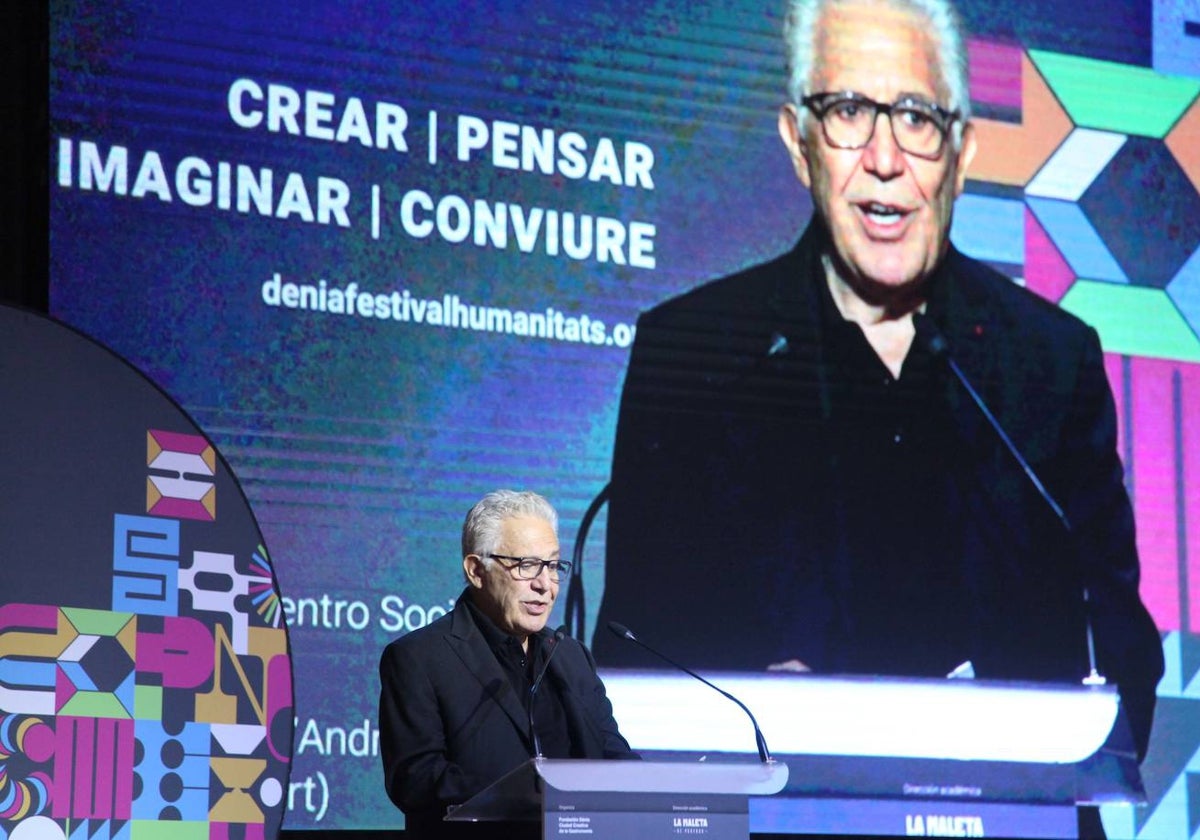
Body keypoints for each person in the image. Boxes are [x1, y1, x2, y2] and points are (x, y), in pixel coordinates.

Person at [593, 0, 1163, 765]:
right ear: (799, 144)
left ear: (961, 152)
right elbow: (634, 667)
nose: (885, 158)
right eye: (850, 111)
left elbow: (1122, 651)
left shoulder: (1049, 366)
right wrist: (759, 716)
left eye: (918, 118)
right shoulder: (695, 354)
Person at [379, 490, 637, 839]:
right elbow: (416, 780)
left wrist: (662, 787)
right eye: (526, 565)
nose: (544, 584)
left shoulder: (572, 657)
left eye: (553, 566)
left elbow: (611, 755)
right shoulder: (420, 657)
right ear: (476, 570)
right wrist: (532, 793)